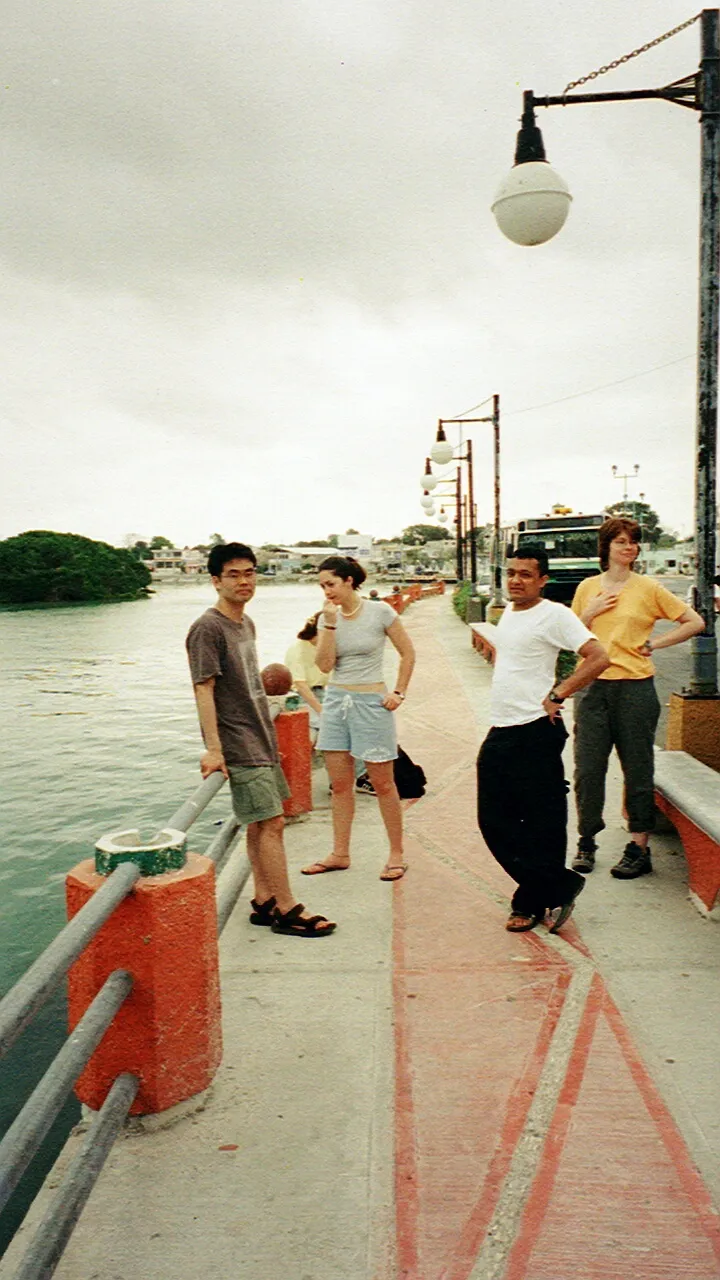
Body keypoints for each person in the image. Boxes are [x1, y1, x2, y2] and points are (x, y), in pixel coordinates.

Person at [185, 542, 336, 938]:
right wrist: (215, 749)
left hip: (261, 736)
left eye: (249, 573)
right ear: (215, 580)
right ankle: (287, 908)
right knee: (272, 823)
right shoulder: (207, 628)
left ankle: (263, 898)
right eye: (233, 575)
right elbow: (203, 689)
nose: (243, 581)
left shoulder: (245, 624)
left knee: (259, 824)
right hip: (239, 743)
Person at [476, 544, 610, 933]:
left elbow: (599, 657)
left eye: (525, 575)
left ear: (543, 580)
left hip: (534, 728)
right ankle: (556, 885)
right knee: (494, 820)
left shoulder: (553, 613)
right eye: (511, 573)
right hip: (503, 726)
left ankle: (532, 900)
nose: (516, 581)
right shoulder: (511, 614)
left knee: (540, 821)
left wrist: (557, 694)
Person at [571, 517, 704, 879]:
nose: (628, 548)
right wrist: (590, 612)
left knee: (638, 768)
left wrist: (655, 644)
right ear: (606, 547)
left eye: (633, 542)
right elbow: (570, 636)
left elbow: (694, 622)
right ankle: (586, 840)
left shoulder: (648, 588)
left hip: (634, 688)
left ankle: (639, 848)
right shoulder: (587, 587)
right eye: (620, 542)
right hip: (592, 690)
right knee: (588, 769)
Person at [301, 555, 415, 880]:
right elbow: (324, 666)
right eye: (322, 586)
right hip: (337, 701)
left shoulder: (380, 611)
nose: (327, 591)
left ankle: (396, 854)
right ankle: (340, 853)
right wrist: (330, 623)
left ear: (350, 580)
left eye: (331, 584)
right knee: (339, 785)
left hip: (371, 701)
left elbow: (408, 653)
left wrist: (399, 692)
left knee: (382, 782)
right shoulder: (327, 617)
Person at [284, 612, 373, 792]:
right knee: (331, 729)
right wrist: (322, 711)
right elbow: (300, 685)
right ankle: (337, 779)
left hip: (325, 693)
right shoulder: (297, 650)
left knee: (355, 722)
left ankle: (358, 776)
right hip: (303, 697)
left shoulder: (329, 648)